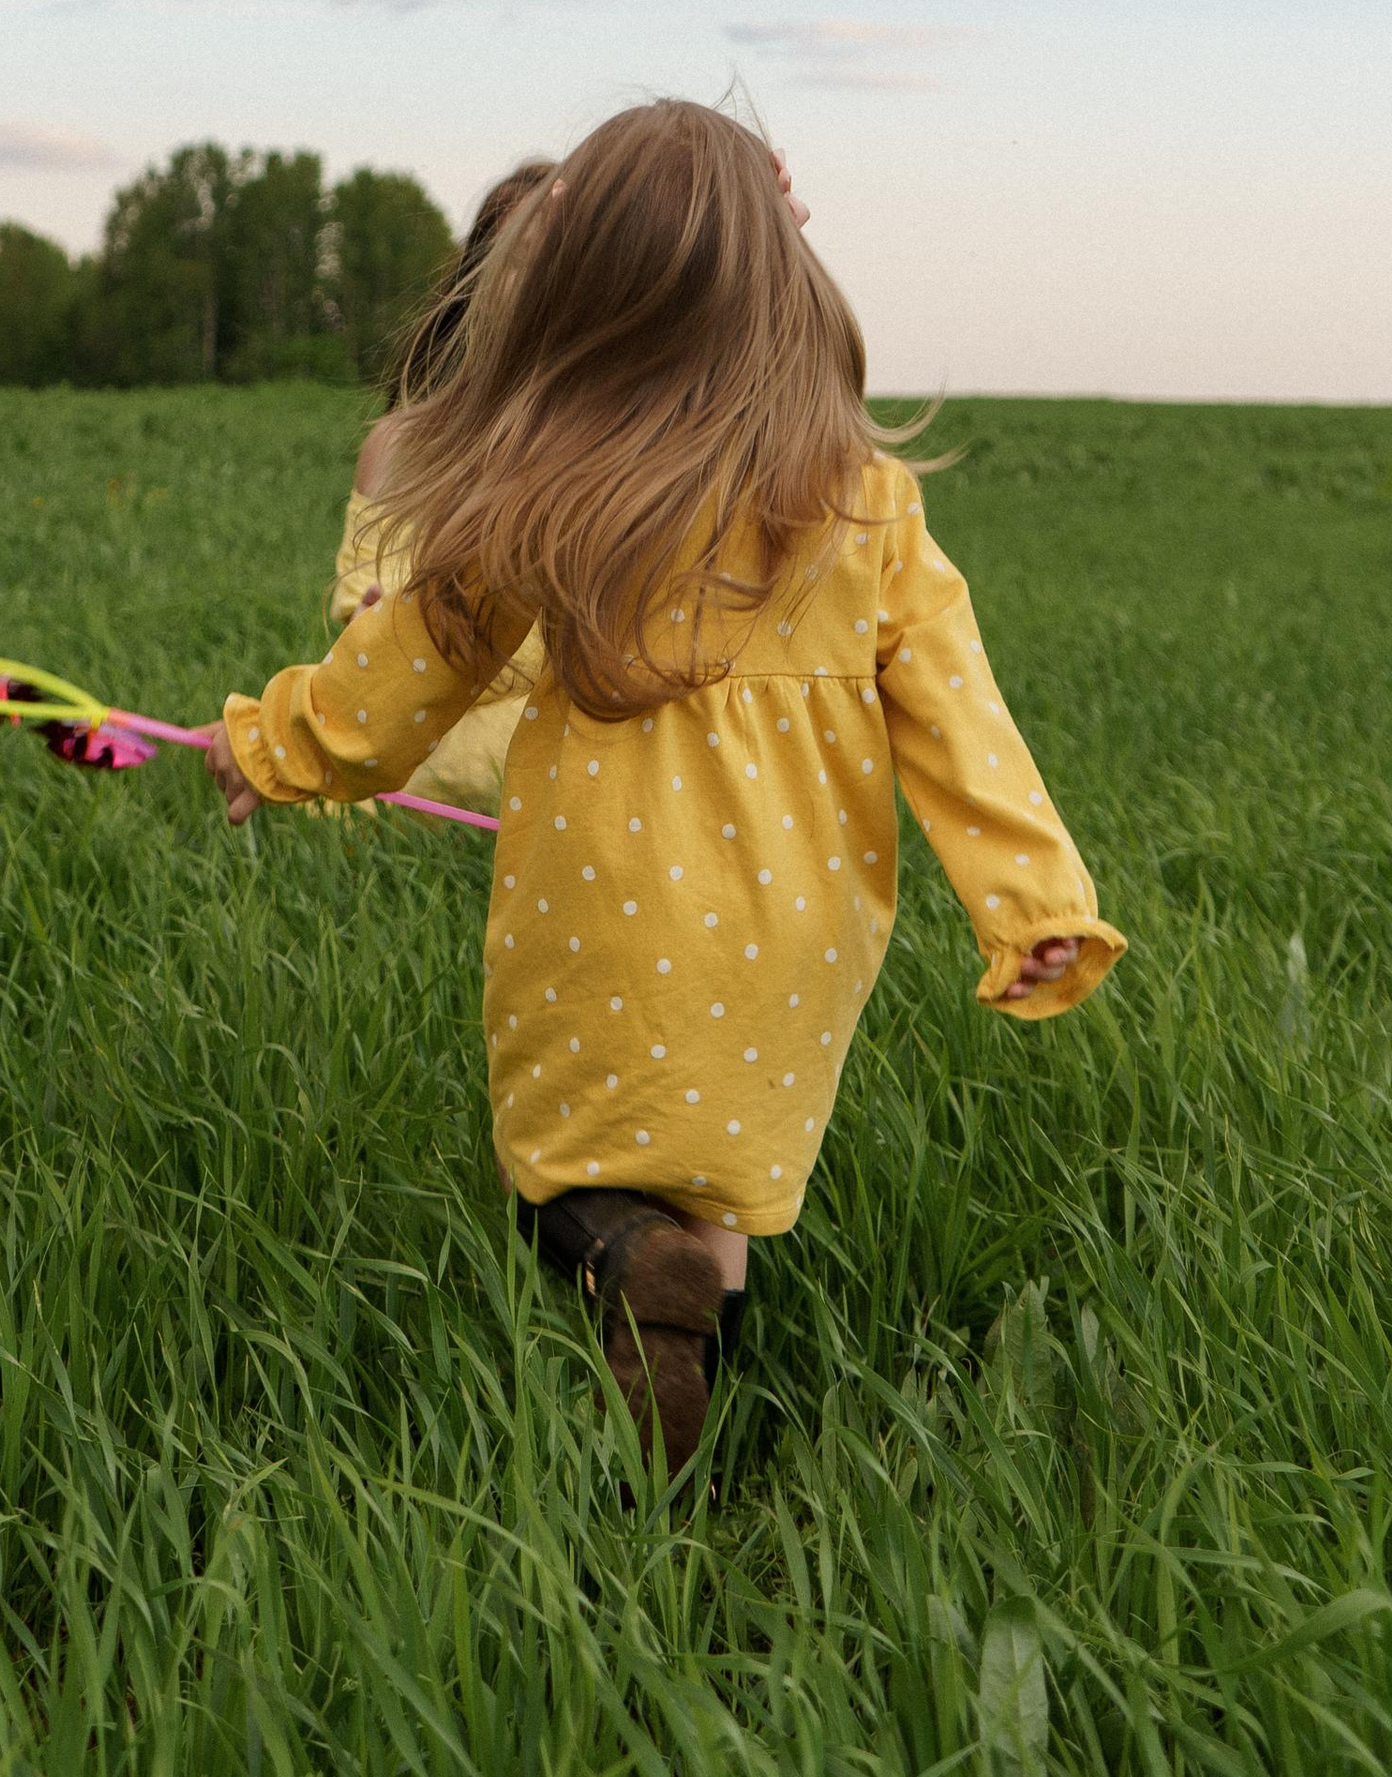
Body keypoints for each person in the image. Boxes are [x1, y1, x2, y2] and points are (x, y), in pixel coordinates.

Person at [207, 100, 1123, 1479]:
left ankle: (615, 1266)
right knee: (726, 1175)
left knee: (570, 1159)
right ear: (784, 296)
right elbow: (959, 719)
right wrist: (1032, 904)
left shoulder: (553, 499)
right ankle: (680, 1459)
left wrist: (267, 751)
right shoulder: (865, 505)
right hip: (801, 925)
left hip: (602, 897)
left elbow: (388, 687)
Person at [327, 162, 554, 820]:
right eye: (521, 259)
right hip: (420, 737)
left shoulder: (633, 454)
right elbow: (371, 633)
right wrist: (384, 627)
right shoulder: (400, 446)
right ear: (478, 287)